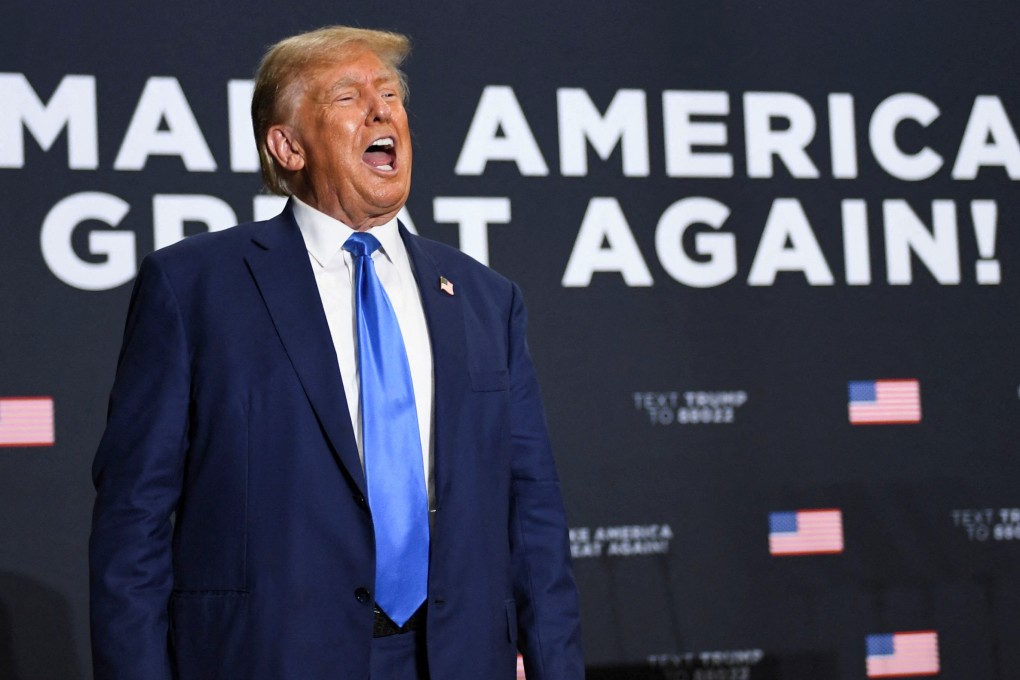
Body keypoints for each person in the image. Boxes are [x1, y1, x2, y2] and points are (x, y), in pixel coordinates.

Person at [89, 25, 583, 680]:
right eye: (349, 97)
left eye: (391, 95)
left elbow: (534, 511)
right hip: (269, 657)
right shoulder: (195, 287)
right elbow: (134, 523)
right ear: (288, 145)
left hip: (457, 658)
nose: (383, 112)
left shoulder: (486, 299)